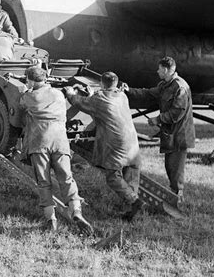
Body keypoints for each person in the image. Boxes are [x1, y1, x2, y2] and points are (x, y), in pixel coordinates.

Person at [19, 66, 93, 234]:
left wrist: (25, 89)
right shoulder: (59, 94)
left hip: (40, 142)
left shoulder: (30, 96)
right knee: (67, 178)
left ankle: (50, 219)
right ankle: (76, 210)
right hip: (60, 141)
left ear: (30, 80)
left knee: (44, 181)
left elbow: (20, 104)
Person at [64, 72, 143, 221]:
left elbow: (80, 102)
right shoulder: (122, 96)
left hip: (116, 145)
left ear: (101, 83)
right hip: (132, 143)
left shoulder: (99, 99)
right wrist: (93, 94)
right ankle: (130, 210)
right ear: (116, 83)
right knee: (131, 174)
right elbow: (106, 102)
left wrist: (70, 94)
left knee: (113, 176)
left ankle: (134, 201)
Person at [124, 56, 195, 206]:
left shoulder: (180, 87)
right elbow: (149, 93)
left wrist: (158, 119)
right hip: (171, 133)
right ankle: (174, 198)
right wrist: (128, 90)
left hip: (179, 135)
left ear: (166, 70)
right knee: (170, 167)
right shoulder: (165, 85)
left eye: (159, 69)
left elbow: (177, 112)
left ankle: (178, 201)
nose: (157, 71)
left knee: (175, 170)